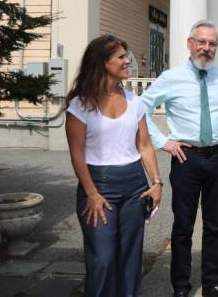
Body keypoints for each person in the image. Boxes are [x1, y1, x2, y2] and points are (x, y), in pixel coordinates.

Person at [141, 20, 218, 297]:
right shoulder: (171, 78)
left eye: (212, 43)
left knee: (214, 226)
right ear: (190, 44)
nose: (207, 48)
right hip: (186, 160)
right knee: (182, 227)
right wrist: (163, 142)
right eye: (202, 42)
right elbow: (140, 109)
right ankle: (181, 288)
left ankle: (211, 284)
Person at [65, 35, 163, 297]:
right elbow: (77, 152)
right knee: (102, 260)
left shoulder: (135, 102)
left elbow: (144, 145)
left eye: (126, 56)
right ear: (102, 62)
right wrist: (92, 193)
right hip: (97, 184)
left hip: (134, 186)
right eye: (120, 57)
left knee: (131, 259)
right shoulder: (80, 104)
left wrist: (156, 182)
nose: (126, 61)